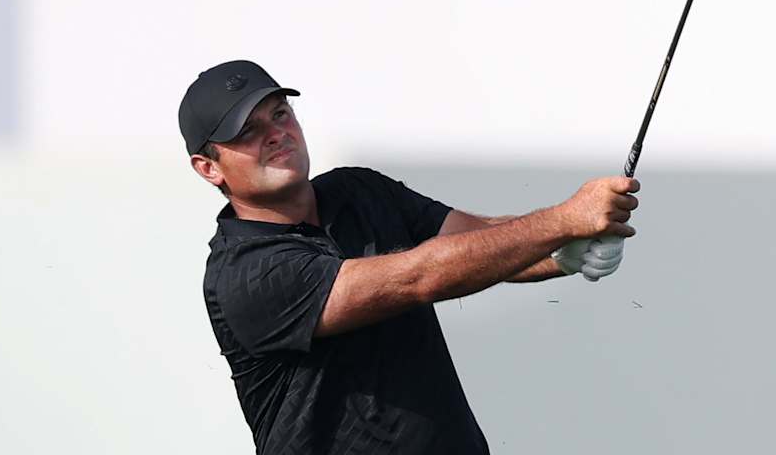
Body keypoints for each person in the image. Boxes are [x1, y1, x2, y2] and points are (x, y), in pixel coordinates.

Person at [178, 60, 639, 454]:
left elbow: (476, 243)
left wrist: (560, 256)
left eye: (280, 115)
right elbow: (419, 277)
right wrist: (563, 221)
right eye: (250, 132)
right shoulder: (244, 273)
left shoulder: (358, 190)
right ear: (209, 168)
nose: (276, 134)